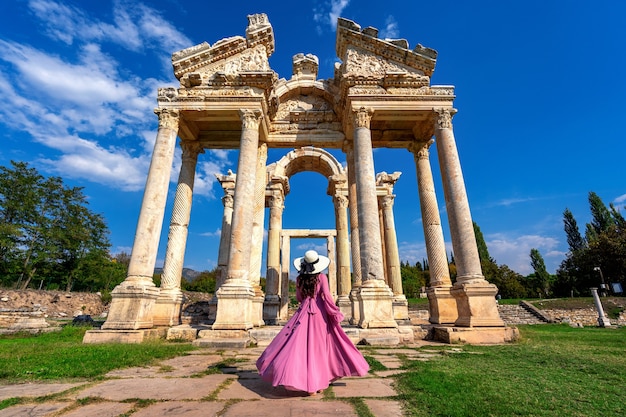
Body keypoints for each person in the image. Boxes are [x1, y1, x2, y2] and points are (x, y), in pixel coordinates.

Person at [256, 250, 369, 395]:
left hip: (303, 312)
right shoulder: (322, 277)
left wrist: (307, 298)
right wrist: (334, 312)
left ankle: (304, 380)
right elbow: (327, 296)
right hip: (320, 314)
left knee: (298, 345)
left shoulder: (299, 279)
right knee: (319, 347)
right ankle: (319, 383)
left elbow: (298, 297)